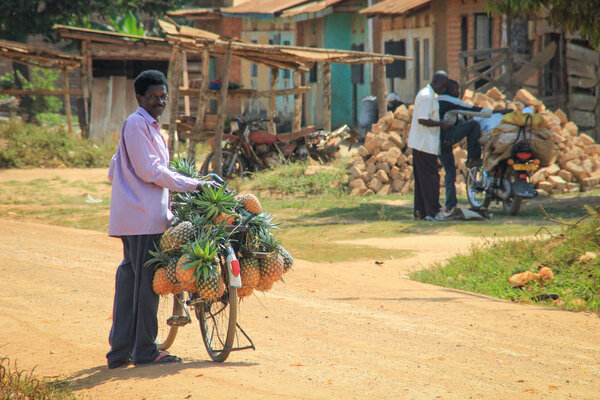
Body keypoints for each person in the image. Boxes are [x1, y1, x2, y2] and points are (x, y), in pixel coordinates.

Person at [106, 70, 213, 368]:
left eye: (163, 96)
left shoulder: (148, 127)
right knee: (145, 287)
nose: (159, 101)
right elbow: (150, 171)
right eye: (153, 96)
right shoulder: (137, 124)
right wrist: (193, 184)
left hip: (138, 217)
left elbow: (115, 169)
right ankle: (144, 351)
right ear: (139, 97)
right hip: (143, 219)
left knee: (131, 282)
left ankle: (120, 352)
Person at [437, 80, 511, 213]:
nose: (458, 92)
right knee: (474, 125)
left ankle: (450, 205)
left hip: (439, 141)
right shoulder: (449, 100)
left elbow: (461, 116)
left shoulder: (438, 100)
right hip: (446, 137)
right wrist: (499, 111)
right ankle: (473, 158)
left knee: (450, 172)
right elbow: (472, 110)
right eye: (456, 89)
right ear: (448, 89)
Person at [408, 71, 451, 220]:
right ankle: (433, 211)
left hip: (424, 144)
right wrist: (441, 123)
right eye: (443, 86)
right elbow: (422, 119)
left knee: (422, 180)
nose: (443, 89)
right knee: (431, 179)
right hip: (424, 144)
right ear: (435, 81)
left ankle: (421, 212)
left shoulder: (429, 95)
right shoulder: (426, 96)